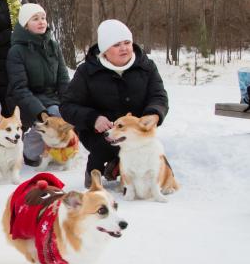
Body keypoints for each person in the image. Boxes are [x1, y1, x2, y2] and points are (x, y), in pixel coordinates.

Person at [61, 19, 169, 186]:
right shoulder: (87, 71)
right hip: (100, 131)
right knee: (106, 145)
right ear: (105, 50)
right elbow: (67, 106)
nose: (124, 48)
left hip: (136, 130)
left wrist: (153, 114)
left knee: (161, 168)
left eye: (127, 42)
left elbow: (159, 96)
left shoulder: (146, 66)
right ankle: (96, 170)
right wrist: (93, 118)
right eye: (117, 44)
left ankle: (120, 166)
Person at [5, 3, 70, 165]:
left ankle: (60, 148)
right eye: (35, 19)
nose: (41, 22)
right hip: (25, 102)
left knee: (67, 111)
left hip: (51, 99)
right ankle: (29, 151)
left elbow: (63, 79)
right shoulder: (17, 51)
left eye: (43, 18)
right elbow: (20, 89)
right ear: (25, 25)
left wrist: (70, 102)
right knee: (55, 113)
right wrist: (41, 112)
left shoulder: (53, 46)